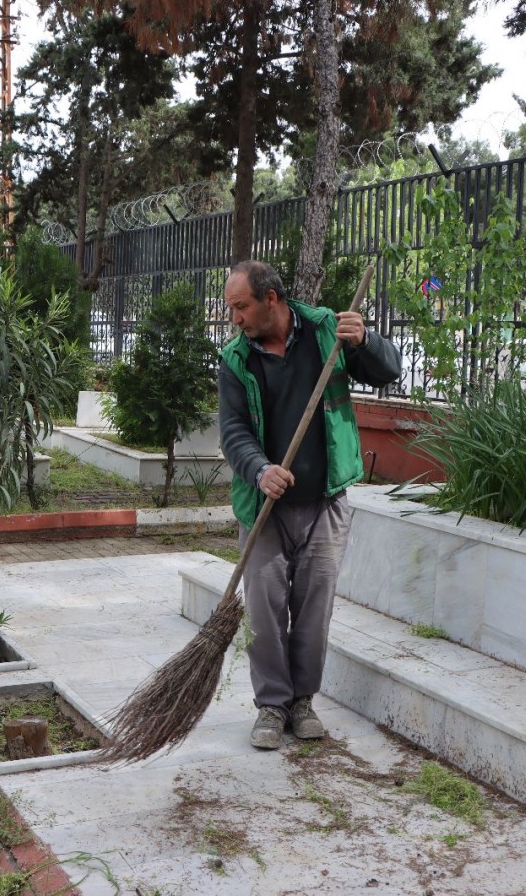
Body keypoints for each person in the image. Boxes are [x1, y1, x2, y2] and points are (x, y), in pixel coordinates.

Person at [218, 260, 402, 750]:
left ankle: (302, 702)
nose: (234, 318)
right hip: (265, 506)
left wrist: (366, 341)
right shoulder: (236, 359)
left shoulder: (328, 330)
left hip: (325, 500)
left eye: (241, 307)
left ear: (271, 299)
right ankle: (272, 707)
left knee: (314, 606)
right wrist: (260, 468)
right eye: (231, 308)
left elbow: (389, 371)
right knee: (264, 609)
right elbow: (233, 431)